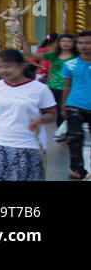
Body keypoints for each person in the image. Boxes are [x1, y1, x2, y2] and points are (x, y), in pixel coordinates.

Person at [0, 48, 57, 180]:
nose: (2, 71)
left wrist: (40, 120)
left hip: (28, 146)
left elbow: (51, 114)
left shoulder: (39, 89)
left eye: (7, 67)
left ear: (21, 66)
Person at [59, 29, 91, 180]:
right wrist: (64, 106)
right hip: (74, 104)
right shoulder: (70, 64)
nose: (84, 46)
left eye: (88, 43)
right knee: (75, 137)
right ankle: (78, 170)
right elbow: (67, 86)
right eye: (81, 43)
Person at [37, 33, 77, 135]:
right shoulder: (54, 55)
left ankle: (64, 132)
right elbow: (32, 57)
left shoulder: (77, 58)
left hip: (69, 88)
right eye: (63, 41)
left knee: (64, 111)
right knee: (51, 109)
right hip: (52, 86)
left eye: (68, 41)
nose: (65, 44)